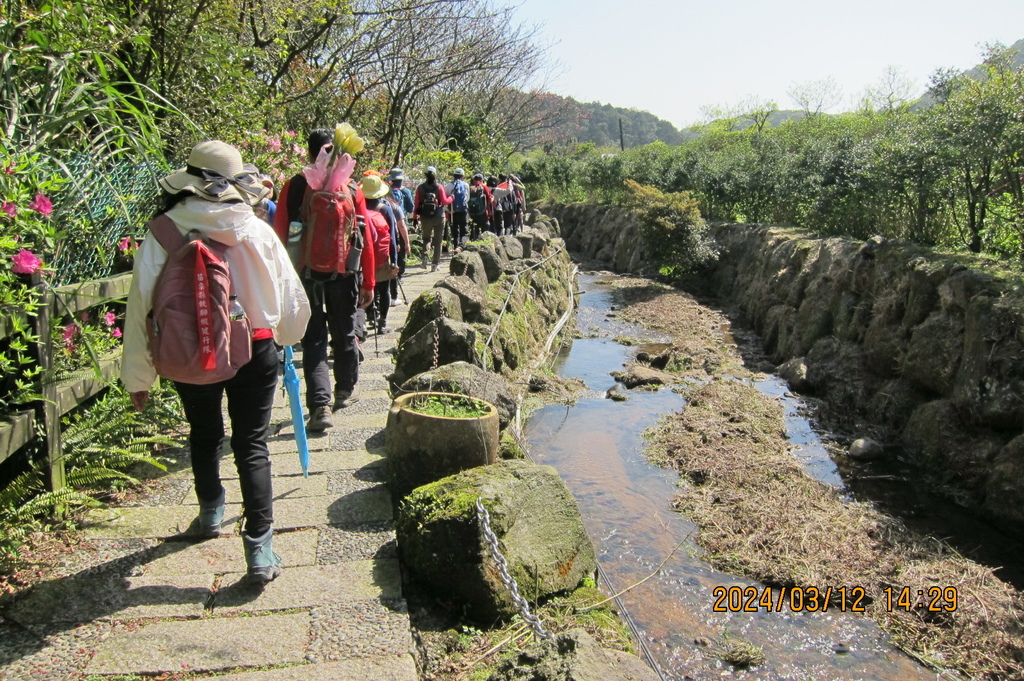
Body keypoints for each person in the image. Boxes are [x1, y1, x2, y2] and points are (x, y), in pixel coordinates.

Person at [122, 140, 311, 584]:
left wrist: (138, 375)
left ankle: (210, 512)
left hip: (187, 351)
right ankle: (260, 549)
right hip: (256, 347)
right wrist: (287, 339)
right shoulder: (255, 230)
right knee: (252, 443)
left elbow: (139, 307)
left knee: (204, 432)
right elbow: (291, 299)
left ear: (187, 182)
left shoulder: (163, 231)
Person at [274, 129, 376, 431]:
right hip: (343, 276)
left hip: (304, 275)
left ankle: (320, 406)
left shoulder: (293, 187)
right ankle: (345, 389)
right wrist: (368, 281)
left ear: (309, 154)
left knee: (314, 340)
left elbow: (279, 237)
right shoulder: (352, 187)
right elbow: (364, 239)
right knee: (344, 333)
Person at [361, 174, 399, 334]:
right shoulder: (385, 209)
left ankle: (370, 316)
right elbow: (392, 238)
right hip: (382, 257)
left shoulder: (359, 208)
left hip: (364, 258)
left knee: (367, 287)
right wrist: (394, 261)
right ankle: (382, 322)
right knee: (384, 290)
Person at [414, 166, 452, 272]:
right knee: (438, 241)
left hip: (425, 217)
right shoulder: (439, 187)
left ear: (425, 175)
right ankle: (435, 265)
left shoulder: (420, 188)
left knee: (426, 238)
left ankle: (425, 257)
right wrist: (451, 198)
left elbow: (416, 203)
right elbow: (444, 201)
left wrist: (415, 217)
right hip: (439, 216)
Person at [386, 168, 415, 304]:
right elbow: (410, 208)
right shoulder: (406, 192)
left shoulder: (387, 193)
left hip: (387, 229)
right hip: (401, 224)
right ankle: (399, 276)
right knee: (400, 255)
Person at [445, 168, 470, 251]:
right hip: (463, 211)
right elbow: (467, 198)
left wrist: (449, 211)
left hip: (453, 211)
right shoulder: (466, 185)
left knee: (455, 231)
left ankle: (456, 247)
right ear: (463, 176)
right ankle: (461, 246)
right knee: (464, 230)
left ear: (453, 176)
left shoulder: (448, 186)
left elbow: (445, 201)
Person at [467, 173, 492, 241]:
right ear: (482, 180)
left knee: (474, 228)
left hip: (472, 213)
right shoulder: (484, 187)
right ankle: (485, 243)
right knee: (484, 228)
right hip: (483, 213)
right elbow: (489, 199)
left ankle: (473, 242)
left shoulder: (470, 188)